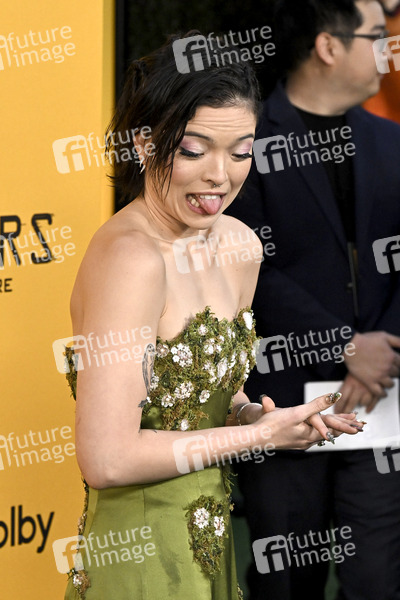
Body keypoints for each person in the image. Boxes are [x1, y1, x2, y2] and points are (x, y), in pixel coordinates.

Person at [61, 33, 363, 600]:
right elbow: (106, 458)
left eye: (241, 151)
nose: (220, 176)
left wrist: (256, 417)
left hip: (209, 545)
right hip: (139, 558)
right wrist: (255, 438)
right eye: (194, 150)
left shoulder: (240, 246)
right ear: (145, 144)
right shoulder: (130, 260)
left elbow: (207, 394)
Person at [226, 1, 400, 599]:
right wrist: (345, 346)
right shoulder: (245, 142)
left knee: (377, 580)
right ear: (328, 46)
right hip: (282, 402)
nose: (389, 50)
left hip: (381, 398)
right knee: (285, 582)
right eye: (377, 35)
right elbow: (250, 266)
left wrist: (381, 352)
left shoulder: (390, 141)